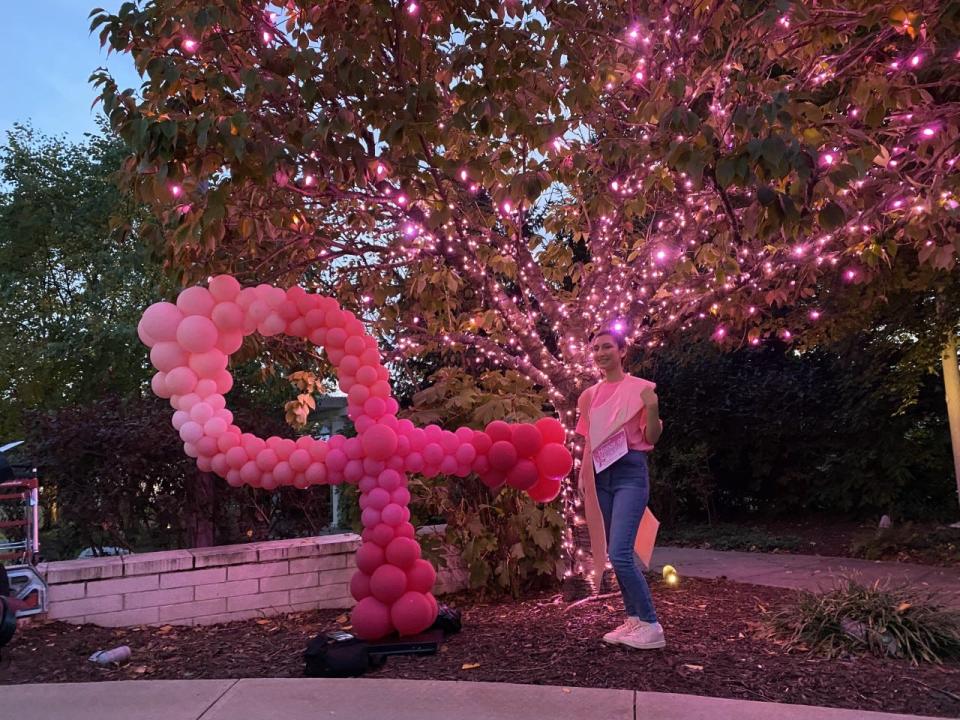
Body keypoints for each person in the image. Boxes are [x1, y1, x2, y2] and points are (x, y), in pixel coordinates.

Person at [575, 327, 665, 650]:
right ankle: (635, 620)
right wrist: (585, 479)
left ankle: (652, 625)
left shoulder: (640, 389)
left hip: (630, 474)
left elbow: (652, 437)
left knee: (620, 553)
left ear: (622, 350)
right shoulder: (590, 396)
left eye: (607, 347)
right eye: (596, 348)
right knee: (616, 554)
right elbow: (589, 442)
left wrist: (652, 409)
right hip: (602, 477)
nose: (601, 353)